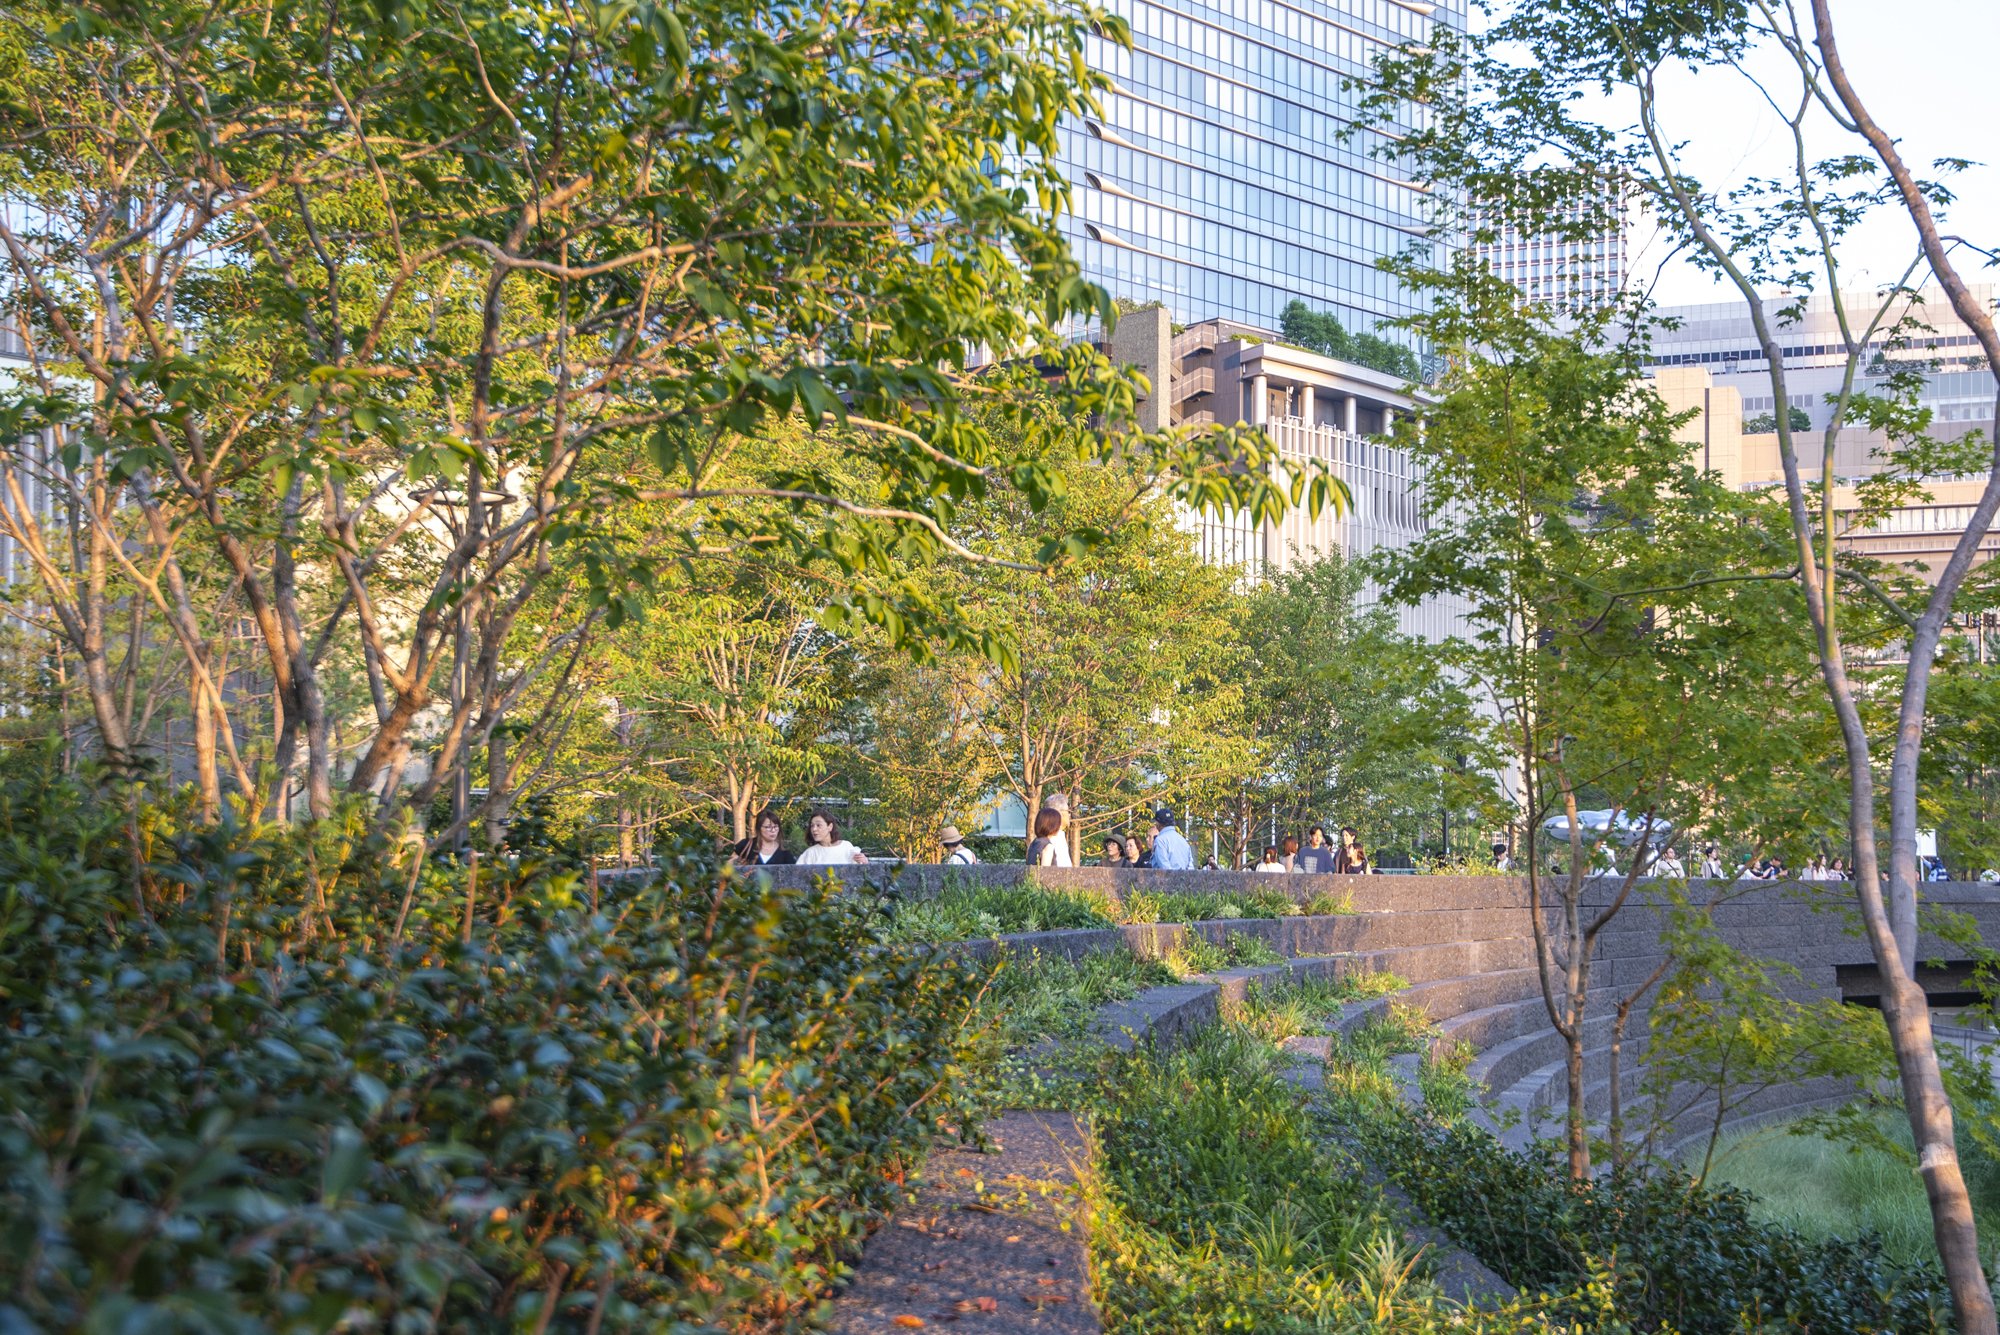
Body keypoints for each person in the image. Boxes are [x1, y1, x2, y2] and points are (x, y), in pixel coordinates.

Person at [796, 808, 868, 865]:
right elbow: (796, 876)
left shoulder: (846, 846)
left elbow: (859, 872)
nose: (814, 829)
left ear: (830, 827)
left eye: (818, 825)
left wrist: (864, 862)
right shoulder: (810, 853)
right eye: (812, 826)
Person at [1041, 793, 1075, 867]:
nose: (1069, 815)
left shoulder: (1058, 835)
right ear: (1059, 814)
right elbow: (1061, 869)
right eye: (1068, 811)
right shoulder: (1053, 838)